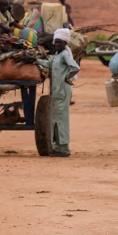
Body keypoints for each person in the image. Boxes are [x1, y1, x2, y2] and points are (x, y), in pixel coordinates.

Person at [38, 28, 79, 157]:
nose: (56, 45)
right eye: (55, 42)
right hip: (57, 91)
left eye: (59, 43)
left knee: (61, 119)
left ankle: (64, 148)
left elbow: (75, 67)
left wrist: (67, 77)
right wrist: (35, 61)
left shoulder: (65, 55)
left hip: (63, 90)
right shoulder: (57, 55)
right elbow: (48, 64)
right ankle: (58, 146)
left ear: (65, 43)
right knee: (56, 118)